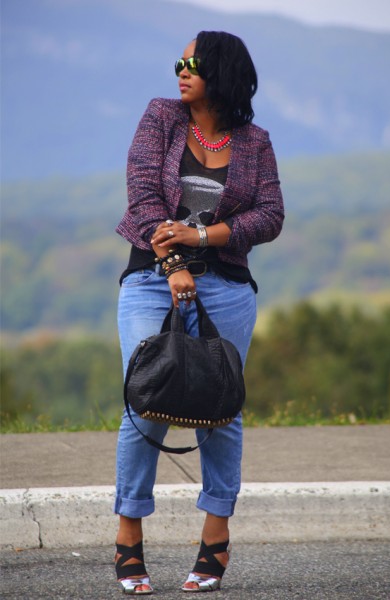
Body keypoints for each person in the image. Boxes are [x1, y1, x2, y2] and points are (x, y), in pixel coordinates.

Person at [114, 30, 284, 595]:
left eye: (192, 61)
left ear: (221, 72)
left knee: (221, 407)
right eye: (180, 60)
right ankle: (128, 538)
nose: (180, 69)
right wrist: (173, 267)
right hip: (150, 279)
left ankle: (215, 539)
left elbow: (270, 214)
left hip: (228, 287)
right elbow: (142, 197)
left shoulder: (254, 142)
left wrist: (204, 235)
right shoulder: (161, 117)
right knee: (147, 398)